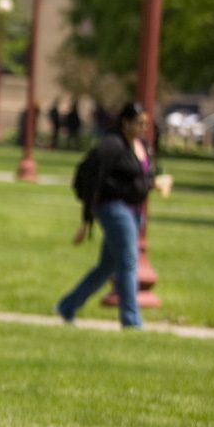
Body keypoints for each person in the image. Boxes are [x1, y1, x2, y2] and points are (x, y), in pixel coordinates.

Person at [58, 103, 153, 329]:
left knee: (106, 267)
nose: (143, 128)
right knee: (129, 262)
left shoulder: (141, 145)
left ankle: (68, 305)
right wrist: (86, 219)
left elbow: (139, 177)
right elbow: (91, 179)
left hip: (134, 211)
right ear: (125, 122)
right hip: (114, 209)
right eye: (138, 123)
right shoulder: (111, 145)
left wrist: (153, 183)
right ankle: (131, 320)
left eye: (145, 124)